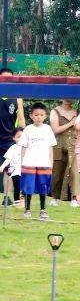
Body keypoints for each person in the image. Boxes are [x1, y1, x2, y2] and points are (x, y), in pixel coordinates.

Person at [18, 102, 56, 220]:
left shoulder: (48, 129)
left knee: (43, 186)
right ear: (31, 116)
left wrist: (51, 162)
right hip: (29, 163)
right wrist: (21, 162)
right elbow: (23, 147)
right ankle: (27, 210)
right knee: (28, 186)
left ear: (45, 116)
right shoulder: (28, 129)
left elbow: (51, 147)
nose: (39, 117)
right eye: (36, 115)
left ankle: (43, 210)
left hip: (44, 163)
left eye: (41, 115)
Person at [0, 68, 25, 206]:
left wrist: (24, 137)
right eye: (4, 78)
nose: (7, 81)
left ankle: (6, 198)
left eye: (9, 79)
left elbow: (21, 119)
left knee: (9, 169)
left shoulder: (17, 97)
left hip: (9, 139)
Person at [49, 99, 80, 206]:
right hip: (59, 144)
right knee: (57, 172)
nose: (69, 99)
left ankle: (75, 198)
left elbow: (79, 128)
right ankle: (54, 198)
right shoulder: (55, 111)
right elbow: (55, 129)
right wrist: (71, 123)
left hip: (74, 145)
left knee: (74, 172)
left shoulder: (78, 112)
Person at [1, 127, 22, 206]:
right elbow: (8, 159)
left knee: (24, 188)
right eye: (18, 137)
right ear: (14, 138)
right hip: (15, 172)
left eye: (22, 137)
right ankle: (17, 202)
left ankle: (24, 203)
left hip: (25, 171)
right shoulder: (12, 148)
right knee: (17, 187)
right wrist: (2, 166)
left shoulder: (27, 148)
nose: (20, 139)